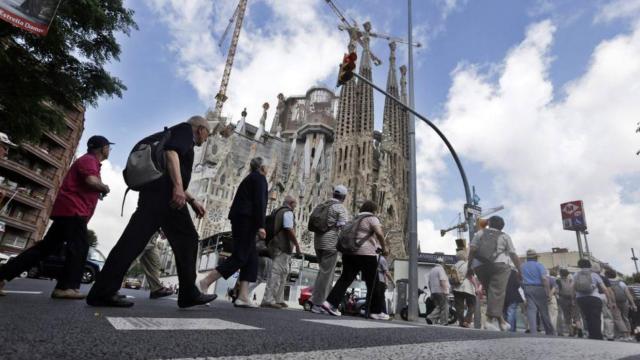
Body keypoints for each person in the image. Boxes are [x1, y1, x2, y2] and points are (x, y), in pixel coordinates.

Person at [87, 116, 224, 308]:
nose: (206, 139)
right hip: (165, 197)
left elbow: (168, 167)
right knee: (184, 239)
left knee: (136, 241)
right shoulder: (185, 131)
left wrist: (191, 200)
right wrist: (177, 188)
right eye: (207, 134)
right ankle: (187, 294)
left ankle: (102, 290)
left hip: (157, 194)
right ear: (200, 129)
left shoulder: (175, 133)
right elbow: (171, 153)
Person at [0, 136, 111, 298]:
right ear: (103, 148)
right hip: (73, 211)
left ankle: (2, 275)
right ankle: (66, 287)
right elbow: (92, 181)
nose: (109, 151)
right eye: (109, 147)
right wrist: (104, 187)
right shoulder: (89, 160)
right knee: (79, 247)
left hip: (68, 211)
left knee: (44, 249)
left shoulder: (90, 161)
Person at [198, 157, 269, 308]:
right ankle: (205, 281)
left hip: (241, 219)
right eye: (267, 167)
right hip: (246, 221)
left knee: (251, 259)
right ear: (262, 167)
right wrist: (261, 226)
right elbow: (260, 203)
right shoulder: (260, 179)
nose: (268, 169)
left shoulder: (250, 178)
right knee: (240, 256)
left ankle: (243, 296)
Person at [321, 200, 388, 320]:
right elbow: (379, 233)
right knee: (373, 283)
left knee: (345, 279)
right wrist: (384, 248)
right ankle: (375, 311)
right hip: (366, 254)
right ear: (373, 210)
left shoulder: (354, 219)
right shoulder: (372, 218)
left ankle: (329, 303)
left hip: (349, 252)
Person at [467, 216, 521, 331]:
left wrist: (469, 267)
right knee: (497, 292)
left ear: (489, 223)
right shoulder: (505, 236)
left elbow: (472, 250)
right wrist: (520, 270)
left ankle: (501, 322)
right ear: (502, 226)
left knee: (492, 292)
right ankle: (489, 320)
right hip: (499, 265)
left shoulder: (480, 233)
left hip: (479, 266)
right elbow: (513, 255)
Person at [309, 185, 349, 314]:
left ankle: (319, 300)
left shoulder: (323, 204)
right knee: (326, 274)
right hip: (330, 244)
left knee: (324, 272)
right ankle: (317, 303)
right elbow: (344, 229)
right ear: (344, 197)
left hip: (318, 243)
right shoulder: (340, 208)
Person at [261, 195, 300, 309]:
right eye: (295, 204)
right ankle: (268, 299)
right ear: (291, 203)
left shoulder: (277, 210)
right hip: (281, 246)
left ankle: (278, 298)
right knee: (276, 272)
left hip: (282, 247)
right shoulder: (287, 212)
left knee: (283, 273)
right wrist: (297, 244)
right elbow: (288, 228)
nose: (295, 207)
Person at [574, 259, 611, 340]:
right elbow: (604, 289)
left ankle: (591, 336)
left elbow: (572, 288)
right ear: (589, 265)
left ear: (579, 265)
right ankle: (598, 336)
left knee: (588, 318)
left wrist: (573, 299)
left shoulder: (576, 275)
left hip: (581, 299)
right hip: (594, 298)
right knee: (596, 318)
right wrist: (609, 300)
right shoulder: (594, 274)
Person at [521, 249, 554, 335]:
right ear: (536, 257)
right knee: (544, 311)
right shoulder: (539, 265)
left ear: (527, 258)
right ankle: (549, 331)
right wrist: (548, 293)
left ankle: (533, 332)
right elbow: (544, 279)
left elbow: (519, 278)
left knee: (531, 310)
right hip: (539, 288)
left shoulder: (522, 266)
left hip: (527, 288)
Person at [137, 231, 174, 299]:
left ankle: (156, 289)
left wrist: (162, 229)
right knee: (131, 258)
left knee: (155, 263)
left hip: (153, 237)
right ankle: (111, 287)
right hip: (145, 231)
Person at [606, 268, 636, 340]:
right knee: (625, 318)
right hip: (624, 302)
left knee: (618, 319)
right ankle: (629, 335)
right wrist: (633, 304)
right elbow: (628, 294)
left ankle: (623, 335)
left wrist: (611, 302)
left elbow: (609, 294)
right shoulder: (621, 282)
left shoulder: (607, 283)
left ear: (607, 275)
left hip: (614, 303)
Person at [453, 249, 477, 328]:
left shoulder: (454, 266)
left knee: (459, 306)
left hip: (456, 288)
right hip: (467, 287)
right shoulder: (467, 264)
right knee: (472, 305)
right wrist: (476, 287)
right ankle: (467, 321)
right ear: (465, 256)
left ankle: (461, 322)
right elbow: (471, 277)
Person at [556, 268, 580, 336]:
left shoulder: (558, 281)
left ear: (560, 274)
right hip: (573, 299)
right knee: (576, 315)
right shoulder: (571, 280)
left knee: (567, 316)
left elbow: (557, 291)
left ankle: (571, 332)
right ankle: (579, 329)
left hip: (563, 299)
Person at [427, 258, 450, 325]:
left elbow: (429, 282)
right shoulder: (440, 269)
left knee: (439, 306)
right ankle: (443, 322)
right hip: (441, 291)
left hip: (434, 291)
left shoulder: (432, 270)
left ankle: (432, 319)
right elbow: (442, 280)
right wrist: (445, 290)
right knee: (445, 306)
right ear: (442, 263)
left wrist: (431, 292)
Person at [503, 266, 524, 332]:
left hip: (503, 295)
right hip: (513, 295)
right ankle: (511, 330)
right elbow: (518, 284)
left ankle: (507, 328)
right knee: (511, 313)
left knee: (505, 313)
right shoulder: (514, 273)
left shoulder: (500, 273)